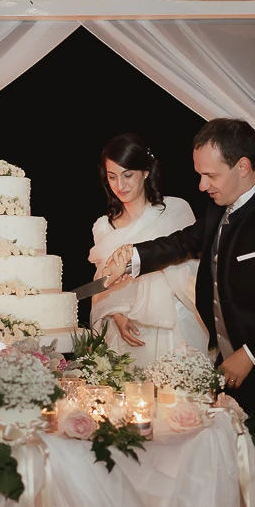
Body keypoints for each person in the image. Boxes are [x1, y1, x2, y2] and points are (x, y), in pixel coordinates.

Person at [103, 118, 255, 507]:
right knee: (240, 488)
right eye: (199, 174)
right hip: (232, 376)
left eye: (211, 175)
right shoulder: (218, 207)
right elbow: (188, 241)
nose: (202, 185)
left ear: (243, 166)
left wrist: (252, 353)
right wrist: (133, 255)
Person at [88, 133, 208, 369]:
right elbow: (106, 285)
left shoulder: (176, 209)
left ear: (145, 171)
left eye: (127, 175)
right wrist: (118, 316)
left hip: (173, 325)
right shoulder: (103, 227)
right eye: (112, 177)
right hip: (127, 332)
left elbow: (195, 272)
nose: (119, 186)